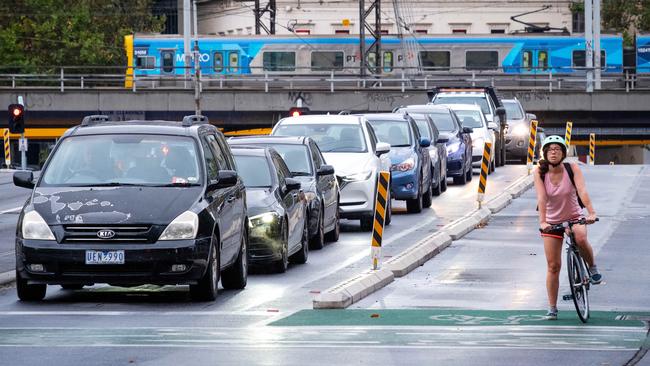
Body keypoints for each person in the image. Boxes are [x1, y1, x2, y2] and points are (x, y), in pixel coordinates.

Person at [533, 135, 601, 320]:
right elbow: (542, 198)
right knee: (553, 266)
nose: (553, 152)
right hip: (552, 221)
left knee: (580, 238)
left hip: (574, 216)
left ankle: (592, 267)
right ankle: (552, 308)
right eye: (550, 149)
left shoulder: (572, 168)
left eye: (557, 149)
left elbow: (582, 191)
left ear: (563, 153)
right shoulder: (539, 172)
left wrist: (591, 213)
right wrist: (543, 222)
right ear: (545, 153)